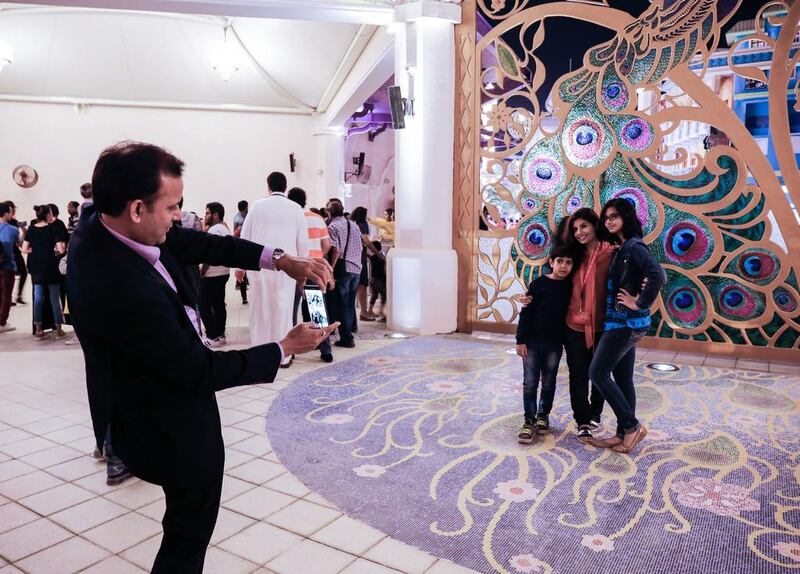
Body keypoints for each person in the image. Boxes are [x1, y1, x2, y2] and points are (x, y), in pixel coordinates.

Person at [66, 141, 338, 573]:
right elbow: (197, 370)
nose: (178, 217)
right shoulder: (117, 284)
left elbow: (198, 245)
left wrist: (280, 259)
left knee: (187, 527)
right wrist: (284, 348)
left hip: (154, 398)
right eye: (172, 207)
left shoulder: (104, 227)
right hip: (163, 420)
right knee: (188, 532)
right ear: (137, 208)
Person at [588, 199, 666, 454]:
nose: (609, 221)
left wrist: (639, 302)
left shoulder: (633, 247)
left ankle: (632, 427)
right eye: (606, 217)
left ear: (626, 218)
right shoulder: (623, 247)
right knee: (622, 378)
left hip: (625, 323)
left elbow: (658, 275)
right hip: (622, 322)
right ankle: (623, 433)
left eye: (614, 216)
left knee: (598, 373)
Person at [239, 171, 309, 367]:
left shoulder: (257, 206)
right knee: (284, 309)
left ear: (268, 186)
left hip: (259, 266)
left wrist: (240, 268)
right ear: (285, 187)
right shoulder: (295, 209)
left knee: (259, 309)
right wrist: (302, 273)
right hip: (288, 268)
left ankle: (260, 352)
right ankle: (283, 355)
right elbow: (302, 243)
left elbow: (244, 239)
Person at [515, 245, 574, 442]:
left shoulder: (569, 286)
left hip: (554, 345)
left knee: (549, 382)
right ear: (551, 262)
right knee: (530, 384)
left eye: (568, 262)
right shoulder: (538, 284)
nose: (564, 266)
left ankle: (543, 415)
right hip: (532, 343)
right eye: (560, 261)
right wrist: (520, 340)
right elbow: (526, 312)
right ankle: (529, 420)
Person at [564, 207, 613, 442]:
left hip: (604, 324)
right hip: (574, 323)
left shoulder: (611, 252)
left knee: (600, 373)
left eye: (584, 226)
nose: (579, 232)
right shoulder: (572, 255)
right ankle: (582, 420)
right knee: (578, 373)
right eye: (575, 229)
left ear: (595, 225)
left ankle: (595, 413)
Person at [288, 187, 333, 362]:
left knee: (291, 312)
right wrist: (317, 256)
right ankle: (326, 350)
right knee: (318, 312)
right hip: (313, 270)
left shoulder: (291, 218)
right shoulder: (317, 218)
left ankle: (290, 352)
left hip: (293, 270)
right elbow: (327, 245)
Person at [22, 205, 66, 339]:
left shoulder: (31, 229)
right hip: (51, 267)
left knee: (38, 298)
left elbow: (24, 249)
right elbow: (61, 250)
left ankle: (39, 329)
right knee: (54, 298)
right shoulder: (53, 229)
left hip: (36, 268)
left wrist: (35, 251)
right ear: (48, 215)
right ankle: (58, 330)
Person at [326, 199, 363, 348]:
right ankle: (348, 336)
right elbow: (360, 247)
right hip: (356, 268)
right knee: (349, 304)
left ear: (330, 212)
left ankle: (346, 338)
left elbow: (336, 250)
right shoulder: (354, 225)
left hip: (344, 267)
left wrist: (331, 268)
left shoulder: (333, 226)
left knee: (341, 304)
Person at [199, 202, 231, 347]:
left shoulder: (213, 231)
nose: (205, 216)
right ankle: (221, 334)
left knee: (203, 304)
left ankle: (212, 336)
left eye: (207, 213)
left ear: (216, 215)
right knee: (218, 304)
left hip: (212, 274)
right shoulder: (225, 229)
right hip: (224, 272)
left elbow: (208, 255)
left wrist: (203, 270)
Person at [350, 207, 383, 322]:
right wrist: (378, 254)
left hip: (351, 258)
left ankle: (357, 314)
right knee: (362, 285)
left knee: (352, 287)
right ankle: (363, 312)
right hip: (360, 257)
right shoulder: (362, 224)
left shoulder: (350, 223)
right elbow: (366, 241)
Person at [0, 201, 20, 333]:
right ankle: (2, 322)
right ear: (6, 214)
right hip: (8, 266)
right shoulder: (13, 229)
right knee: (7, 295)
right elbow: (19, 244)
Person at [6, 201, 28, 305]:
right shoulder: (11, 223)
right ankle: (9, 297)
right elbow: (19, 243)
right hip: (10, 253)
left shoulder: (14, 222)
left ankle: (14, 296)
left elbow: (19, 243)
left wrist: (23, 232)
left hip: (14, 252)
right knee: (8, 276)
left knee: (21, 273)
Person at [232, 200, 249, 304]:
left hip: (241, 246)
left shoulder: (237, 217)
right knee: (243, 269)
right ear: (245, 207)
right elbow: (237, 233)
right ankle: (244, 296)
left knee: (242, 268)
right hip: (244, 246)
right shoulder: (242, 219)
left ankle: (244, 296)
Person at [367, 240, 386, 320]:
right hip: (380, 279)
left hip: (372, 279)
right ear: (380, 247)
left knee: (374, 295)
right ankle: (381, 311)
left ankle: (370, 310)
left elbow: (368, 255)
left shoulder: (373, 258)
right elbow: (385, 269)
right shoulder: (382, 257)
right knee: (384, 295)